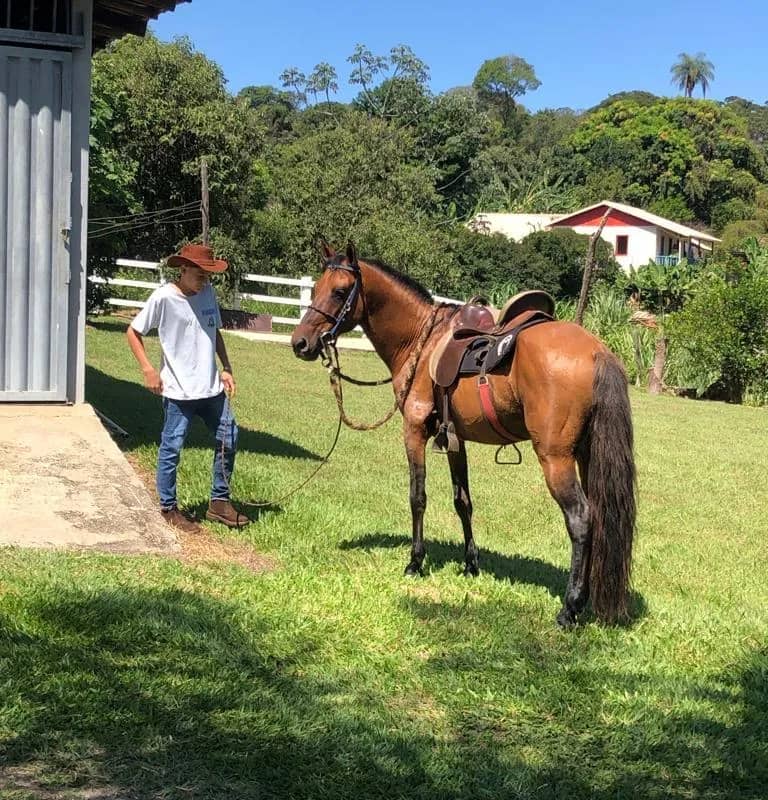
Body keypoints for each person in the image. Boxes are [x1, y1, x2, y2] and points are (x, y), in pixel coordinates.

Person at [126, 243, 248, 532]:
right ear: (183, 269)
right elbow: (133, 331)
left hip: (211, 389)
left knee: (228, 438)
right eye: (199, 273)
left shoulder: (207, 293)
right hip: (179, 392)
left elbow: (213, 331)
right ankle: (168, 508)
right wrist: (148, 369)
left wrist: (226, 368)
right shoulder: (164, 297)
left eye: (208, 274)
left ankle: (219, 503)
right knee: (172, 448)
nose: (204, 279)